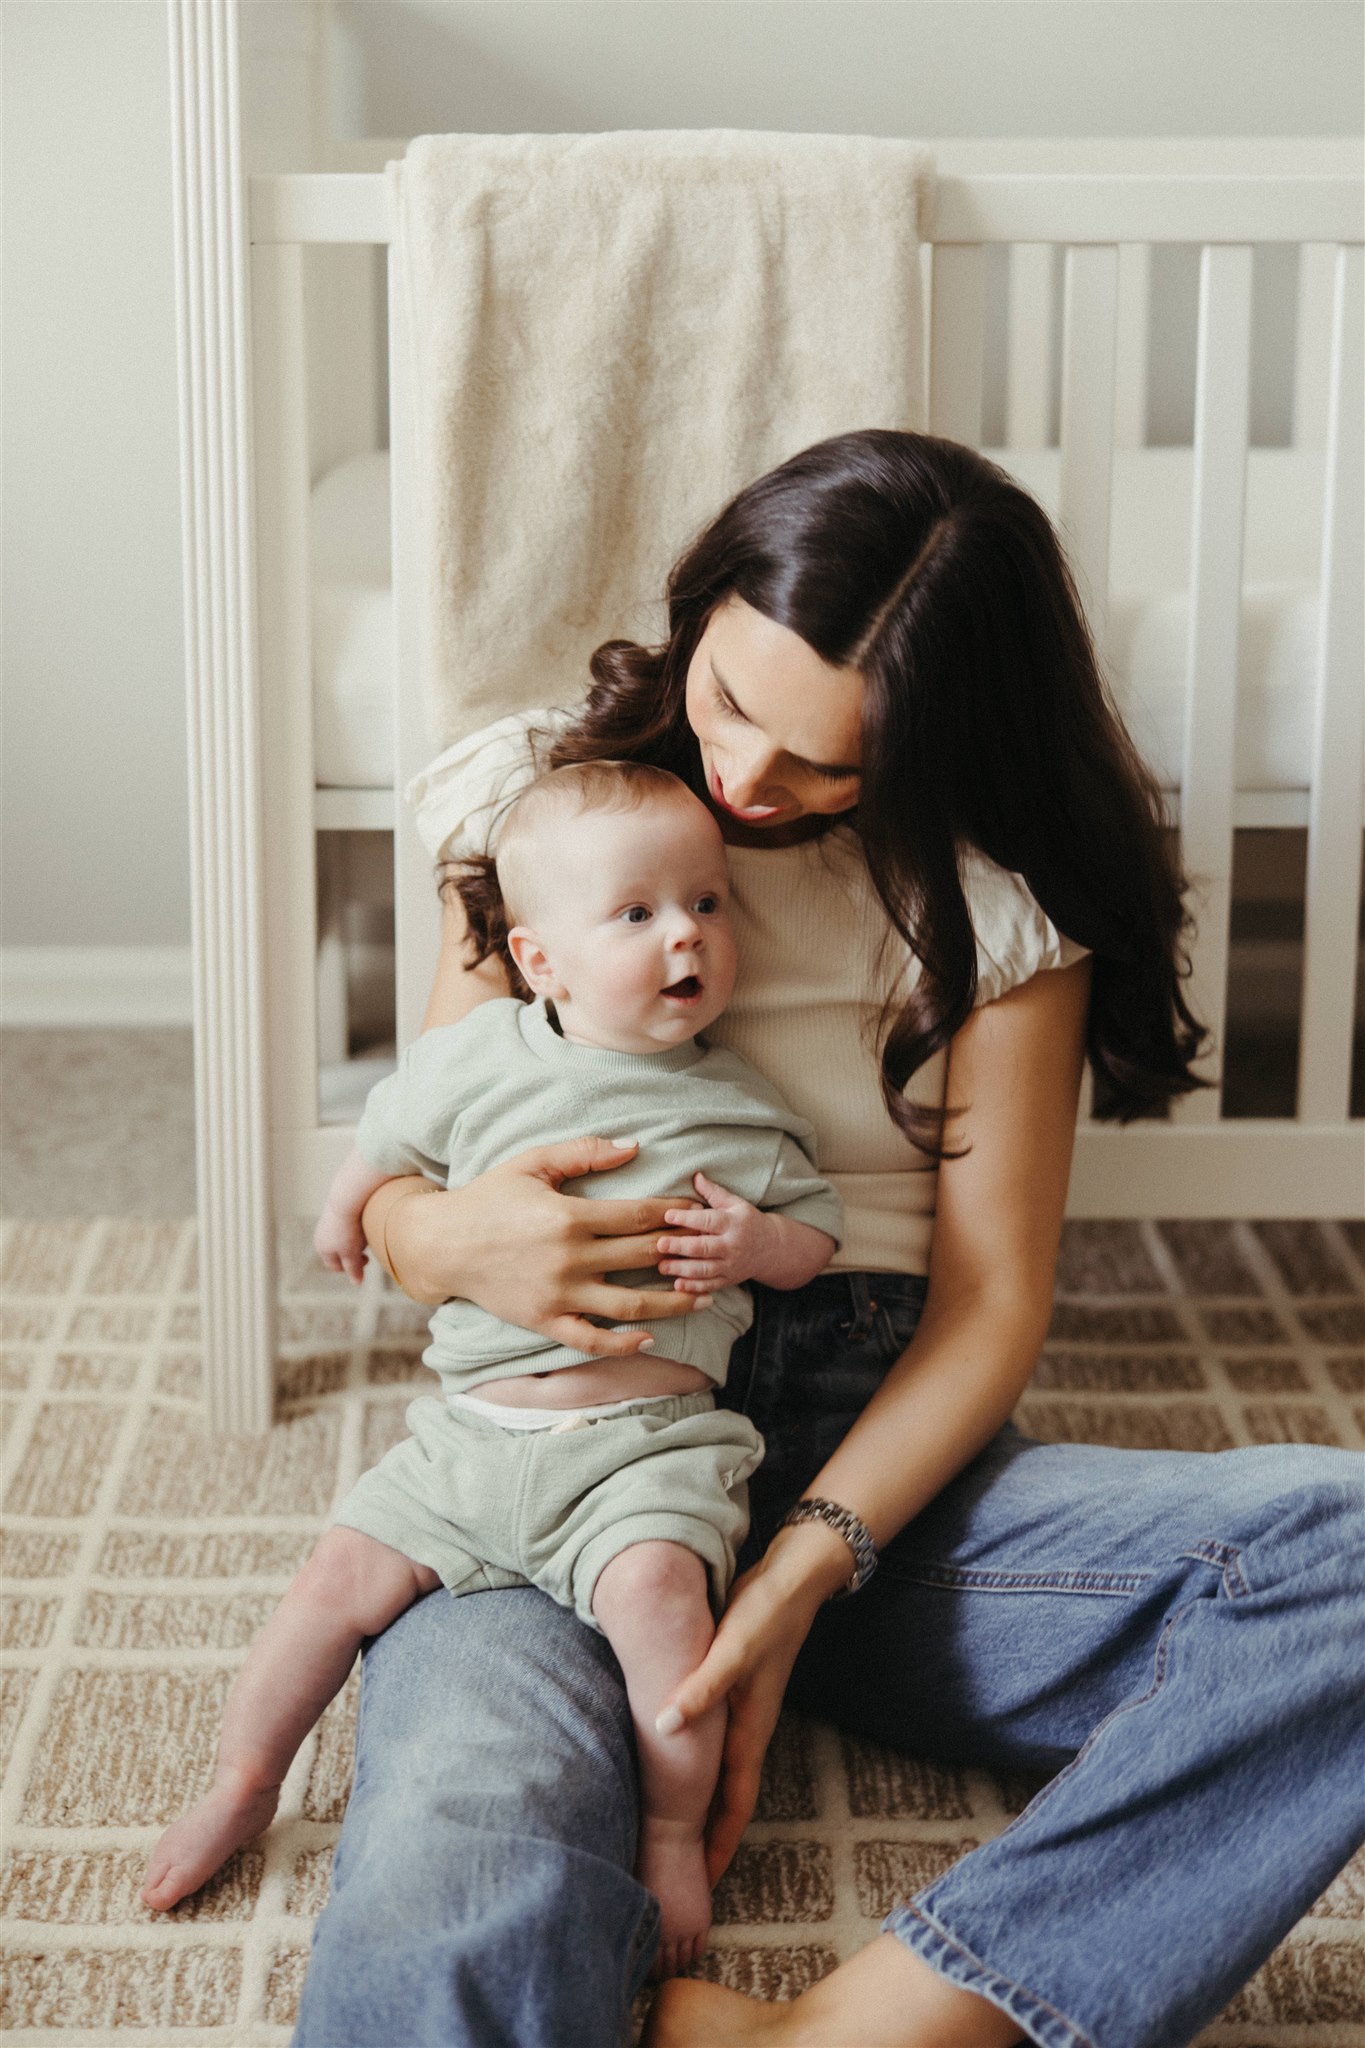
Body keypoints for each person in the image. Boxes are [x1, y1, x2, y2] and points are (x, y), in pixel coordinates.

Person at [292, 431, 1364, 2048]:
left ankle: (886, 2021)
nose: (750, 783)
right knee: (466, 1864)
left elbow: (993, 1300)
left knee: (1345, 1554)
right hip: (554, 1443)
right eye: (730, 702)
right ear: (703, 600)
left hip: (865, 1467)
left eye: (827, 760)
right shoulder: (547, 802)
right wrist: (444, 1238)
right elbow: (415, 1169)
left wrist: (800, 1569)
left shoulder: (996, 910)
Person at [142, 761, 841, 1973]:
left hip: (646, 1452)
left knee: (665, 1610)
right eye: (637, 913)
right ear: (540, 960)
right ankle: (244, 1776)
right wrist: (349, 1206)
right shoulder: (479, 1059)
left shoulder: (739, 1104)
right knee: (329, 1582)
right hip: (466, 1439)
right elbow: (389, 1129)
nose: (687, 933)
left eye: (709, 903)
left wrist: (760, 1243)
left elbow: (814, 1238)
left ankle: (675, 1828)